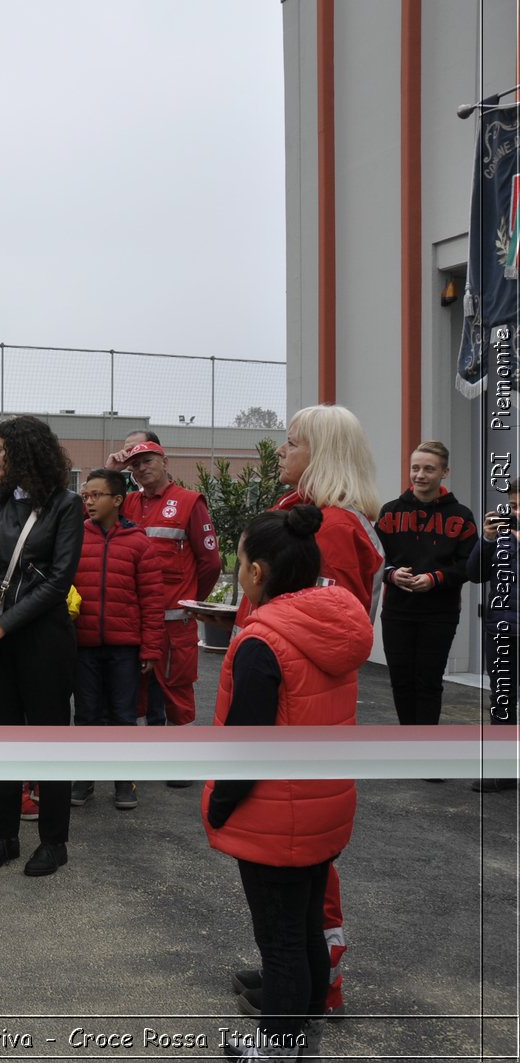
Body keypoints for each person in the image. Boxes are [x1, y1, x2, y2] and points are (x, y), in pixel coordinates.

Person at [219, 403, 383, 1021]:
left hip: (295, 717)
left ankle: (315, 990)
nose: (281, 451)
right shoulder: (318, 518)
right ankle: (297, 977)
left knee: (305, 869)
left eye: (291, 443)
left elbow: (323, 631)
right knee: (303, 877)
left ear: (321, 454)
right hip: (296, 712)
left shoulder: (332, 529)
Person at [205, 505, 372, 1062]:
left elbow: (246, 746)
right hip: (323, 809)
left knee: (278, 944)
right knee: (306, 934)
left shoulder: (262, 642)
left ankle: (275, 1050)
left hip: (273, 818)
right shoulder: (332, 624)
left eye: (241, 559)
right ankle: (304, 1040)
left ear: (257, 573)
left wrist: (219, 806)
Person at [0, 416, 83, 877]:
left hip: (42, 641)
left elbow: (57, 582)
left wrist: (2, 626)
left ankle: (53, 841)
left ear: (24, 451)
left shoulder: (66, 505)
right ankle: (6, 836)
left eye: (0, 447)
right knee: (2, 740)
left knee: (49, 742)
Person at [111, 434, 220, 735]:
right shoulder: (127, 503)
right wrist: (110, 471)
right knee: (134, 690)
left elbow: (211, 563)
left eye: (147, 461)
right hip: (134, 621)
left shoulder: (189, 502)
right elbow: (89, 518)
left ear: (164, 462)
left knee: (177, 689)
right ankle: (140, 759)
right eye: (134, 466)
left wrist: (190, 601)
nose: (141, 469)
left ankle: (180, 762)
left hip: (174, 623)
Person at [70, 469, 165, 811]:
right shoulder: (76, 538)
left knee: (124, 716)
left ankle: (124, 780)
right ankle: (85, 778)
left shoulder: (139, 543)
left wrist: (151, 647)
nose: (89, 501)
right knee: (86, 716)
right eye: (86, 495)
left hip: (125, 648)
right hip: (84, 647)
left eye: (96, 495)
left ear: (117, 500)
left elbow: (152, 601)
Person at [375, 440, 477, 727]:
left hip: (439, 614)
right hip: (397, 611)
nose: (420, 475)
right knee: (401, 681)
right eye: (415, 468)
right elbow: (375, 559)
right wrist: (392, 574)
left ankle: (428, 749)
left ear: (444, 472)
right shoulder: (390, 511)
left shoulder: (461, 516)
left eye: (429, 469)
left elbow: (469, 565)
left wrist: (435, 579)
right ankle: (410, 745)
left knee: (429, 682)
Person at [467, 481, 519, 791]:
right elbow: (474, 574)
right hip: (501, 629)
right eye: (513, 506)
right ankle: (504, 771)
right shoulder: (500, 536)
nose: (516, 512)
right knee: (501, 699)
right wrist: (486, 539)